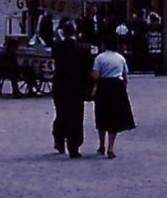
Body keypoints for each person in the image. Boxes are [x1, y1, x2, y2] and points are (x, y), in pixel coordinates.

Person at [50, 19, 94, 157]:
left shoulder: (57, 47)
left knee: (61, 113)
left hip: (60, 84)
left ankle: (59, 141)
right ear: (76, 32)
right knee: (76, 116)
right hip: (77, 86)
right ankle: (74, 146)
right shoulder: (84, 48)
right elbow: (89, 68)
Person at [91, 39, 136, 157]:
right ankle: (110, 147)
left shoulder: (99, 58)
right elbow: (125, 76)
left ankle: (101, 145)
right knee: (114, 118)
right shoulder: (120, 58)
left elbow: (95, 76)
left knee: (101, 115)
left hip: (104, 86)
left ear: (103, 45)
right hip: (117, 87)